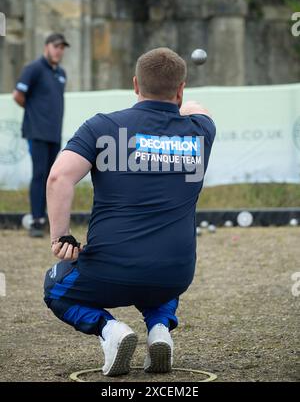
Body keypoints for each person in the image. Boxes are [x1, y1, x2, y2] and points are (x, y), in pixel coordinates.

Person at [44, 47, 216, 377]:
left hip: (111, 271)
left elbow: (58, 177)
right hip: (174, 275)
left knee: (54, 288)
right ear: (180, 90)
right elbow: (199, 109)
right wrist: (182, 101)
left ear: (135, 84)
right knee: (157, 277)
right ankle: (159, 330)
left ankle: (111, 331)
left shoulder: (101, 126)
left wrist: (60, 236)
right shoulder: (200, 132)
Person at [13, 33, 70, 237]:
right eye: (56, 46)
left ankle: (45, 218)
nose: (59, 51)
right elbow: (18, 95)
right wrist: (34, 112)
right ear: (46, 47)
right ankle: (36, 221)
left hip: (53, 133)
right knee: (39, 175)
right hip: (36, 132)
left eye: (62, 47)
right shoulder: (34, 68)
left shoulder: (61, 73)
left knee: (50, 177)